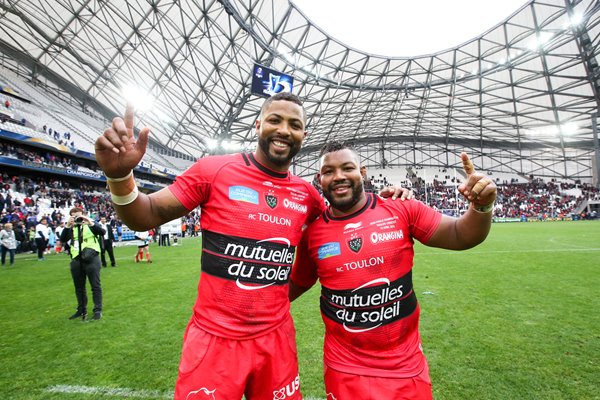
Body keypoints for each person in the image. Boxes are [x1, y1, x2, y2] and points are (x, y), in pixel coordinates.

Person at [94, 93, 410, 400]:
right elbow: (146, 214)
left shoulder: (307, 195)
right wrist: (120, 176)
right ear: (257, 125)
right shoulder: (213, 171)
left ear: (303, 135)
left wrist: (388, 201)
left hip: (276, 341)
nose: (284, 130)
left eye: (294, 125)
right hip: (215, 339)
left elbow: (347, 217)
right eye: (275, 120)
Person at [289, 141, 497, 400]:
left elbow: (460, 235)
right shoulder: (314, 235)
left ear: (362, 172)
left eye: (347, 168)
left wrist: (482, 206)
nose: (339, 176)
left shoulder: (401, 208)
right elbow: (294, 284)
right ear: (319, 179)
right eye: (329, 171)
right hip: (345, 369)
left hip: (405, 366)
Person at [59, 207, 106, 321]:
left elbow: (102, 232)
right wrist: (67, 226)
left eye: (79, 216)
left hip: (91, 258)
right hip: (76, 258)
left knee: (95, 285)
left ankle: (97, 310)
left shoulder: (90, 225)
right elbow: (62, 239)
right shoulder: (71, 228)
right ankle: (81, 309)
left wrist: (89, 222)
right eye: (74, 216)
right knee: (79, 287)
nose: (77, 219)